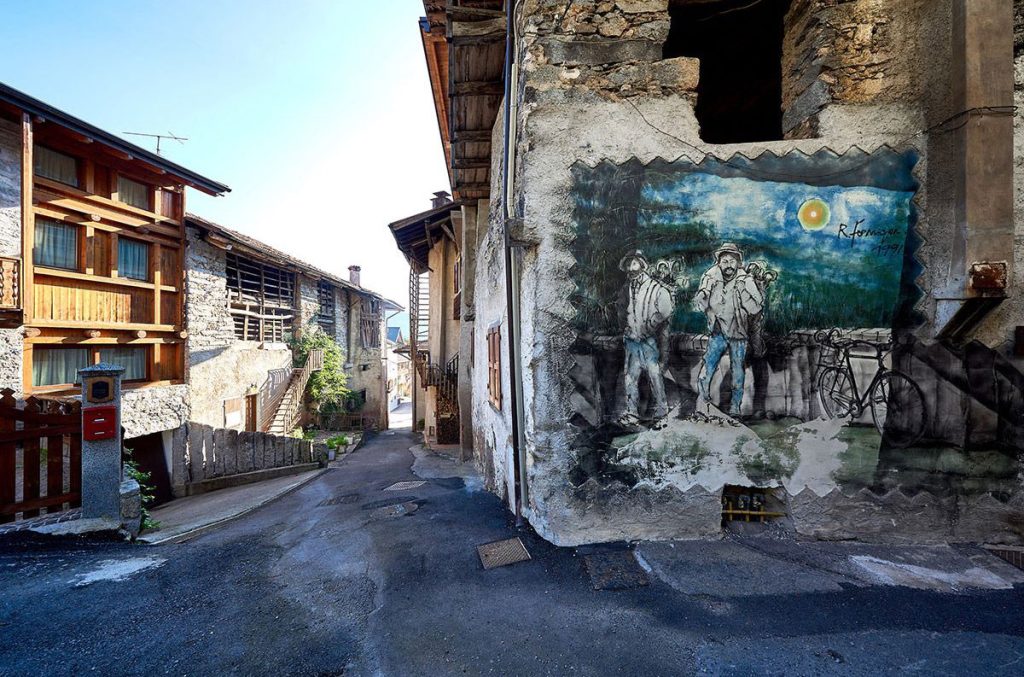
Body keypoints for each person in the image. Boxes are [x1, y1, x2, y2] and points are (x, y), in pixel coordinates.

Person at [692, 243, 764, 416]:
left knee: (737, 371)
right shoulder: (710, 276)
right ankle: (703, 404)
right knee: (707, 367)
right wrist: (703, 297)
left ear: (738, 262)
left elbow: (757, 306)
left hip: (738, 332)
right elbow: (700, 301)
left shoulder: (745, 280)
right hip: (717, 331)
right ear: (719, 262)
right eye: (725, 261)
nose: (729, 265)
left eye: (732, 261)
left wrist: (743, 296)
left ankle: (735, 409)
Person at [617, 249, 674, 426]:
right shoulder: (626, 288)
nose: (630, 268)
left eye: (633, 264)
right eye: (628, 264)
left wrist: (650, 325)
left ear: (642, 265)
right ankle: (632, 413)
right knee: (630, 377)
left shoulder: (656, 287)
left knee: (654, 374)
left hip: (649, 340)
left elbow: (665, 309)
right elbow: (621, 310)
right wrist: (625, 328)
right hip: (632, 340)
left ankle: (662, 411)